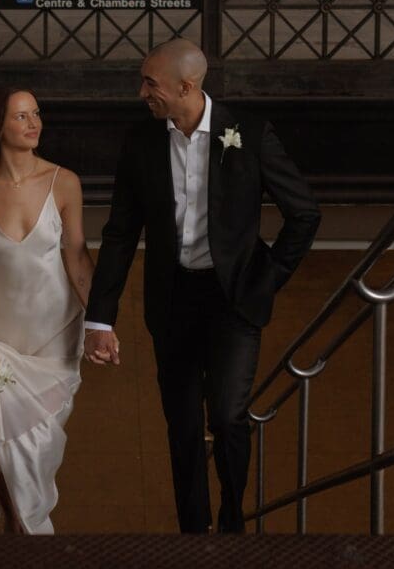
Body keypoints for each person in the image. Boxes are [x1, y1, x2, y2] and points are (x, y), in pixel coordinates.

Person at [84, 38, 320, 534]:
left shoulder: (248, 135)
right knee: (184, 427)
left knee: (230, 418)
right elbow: (121, 232)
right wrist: (100, 317)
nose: (141, 92)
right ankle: (194, 532)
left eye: (151, 83)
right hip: (173, 301)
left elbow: (304, 214)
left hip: (233, 300)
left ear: (186, 86)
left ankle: (233, 519)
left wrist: (268, 279)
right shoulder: (141, 141)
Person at [0, 86, 105, 534]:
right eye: (21, 116)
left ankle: (29, 531)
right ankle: (1, 535)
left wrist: (99, 324)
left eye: (36, 114)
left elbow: (76, 257)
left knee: (36, 448)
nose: (34, 123)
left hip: (55, 338)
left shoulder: (64, 181)